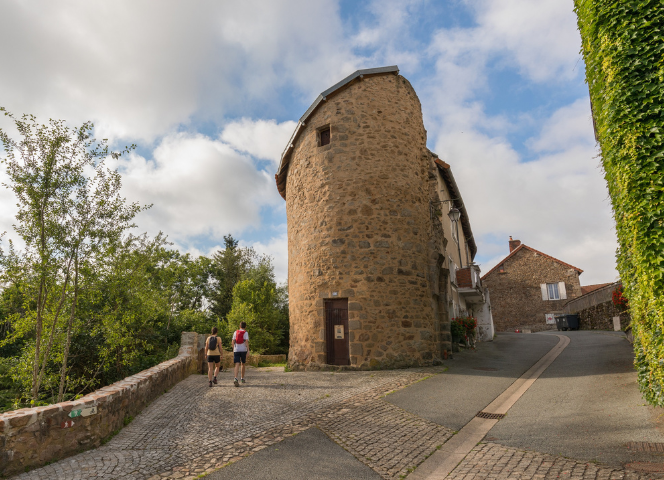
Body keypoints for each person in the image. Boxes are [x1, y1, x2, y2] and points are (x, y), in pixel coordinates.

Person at [232, 321, 249, 387]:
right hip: (243, 350)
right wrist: (248, 350)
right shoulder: (246, 333)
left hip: (236, 350)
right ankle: (242, 378)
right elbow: (246, 341)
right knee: (243, 364)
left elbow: (232, 341)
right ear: (245, 327)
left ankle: (235, 378)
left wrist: (234, 349)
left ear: (239, 326)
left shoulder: (235, 332)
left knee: (237, 364)